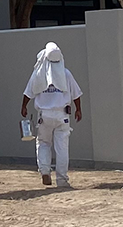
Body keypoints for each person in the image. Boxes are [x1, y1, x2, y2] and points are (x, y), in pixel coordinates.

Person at [20, 41, 83, 187]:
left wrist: (24, 106)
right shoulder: (66, 74)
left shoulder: (38, 74)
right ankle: (62, 180)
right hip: (63, 116)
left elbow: (28, 92)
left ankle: (45, 171)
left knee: (43, 143)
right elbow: (76, 94)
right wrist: (78, 109)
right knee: (62, 148)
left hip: (44, 116)